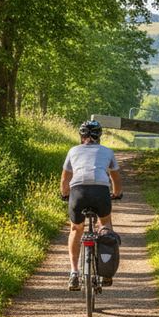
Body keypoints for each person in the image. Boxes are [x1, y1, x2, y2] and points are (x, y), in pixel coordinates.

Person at [60, 120, 122, 290]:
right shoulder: (107, 152)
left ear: (81, 136)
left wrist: (65, 194)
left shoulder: (73, 151)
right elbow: (115, 178)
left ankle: (74, 273)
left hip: (78, 193)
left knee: (75, 229)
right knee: (105, 224)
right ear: (99, 136)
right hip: (100, 192)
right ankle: (106, 272)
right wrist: (116, 193)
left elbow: (65, 179)